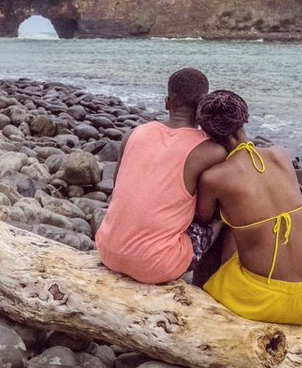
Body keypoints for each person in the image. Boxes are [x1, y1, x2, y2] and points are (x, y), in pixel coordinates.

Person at [194, 90, 302, 324]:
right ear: (244, 120)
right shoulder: (280, 155)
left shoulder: (214, 178)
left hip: (263, 299)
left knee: (222, 222)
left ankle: (201, 301)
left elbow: (203, 218)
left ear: (206, 132)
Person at [95, 68, 227, 284]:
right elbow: (205, 214)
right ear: (203, 105)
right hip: (156, 266)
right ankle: (208, 286)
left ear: (167, 103)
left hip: (107, 249)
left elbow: (118, 186)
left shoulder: (133, 134)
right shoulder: (210, 150)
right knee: (224, 216)